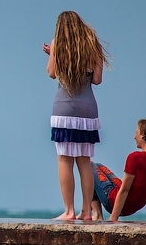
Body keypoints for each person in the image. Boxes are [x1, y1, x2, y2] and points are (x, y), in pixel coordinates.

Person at [42, 11, 109, 221]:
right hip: (88, 111)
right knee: (84, 161)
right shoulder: (92, 44)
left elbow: (52, 73)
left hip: (64, 109)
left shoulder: (58, 43)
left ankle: (69, 211)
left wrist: (53, 53)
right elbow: (97, 80)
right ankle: (87, 211)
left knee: (64, 159)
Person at [90, 119, 146, 222]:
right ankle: (96, 214)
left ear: (143, 136)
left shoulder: (134, 158)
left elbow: (124, 191)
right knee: (99, 166)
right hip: (131, 208)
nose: (134, 137)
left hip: (114, 203)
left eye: (136, 133)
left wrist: (113, 218)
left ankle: (96, 214)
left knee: (89, 166)